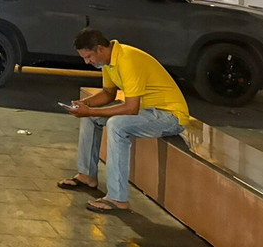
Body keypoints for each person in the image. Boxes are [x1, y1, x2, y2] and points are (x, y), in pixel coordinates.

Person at [58, 27, 189, 213]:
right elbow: (108, 93)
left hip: (170, 116)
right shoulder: (108, 62)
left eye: (88, 57)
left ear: (100, 49)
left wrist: (90, 110)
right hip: (147, 112)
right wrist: (84, 105)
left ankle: (118, 198)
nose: (87, 62)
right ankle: (86, 176)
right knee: (90, 117)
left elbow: (131, 108)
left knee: (116, 125)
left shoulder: (127, 59)